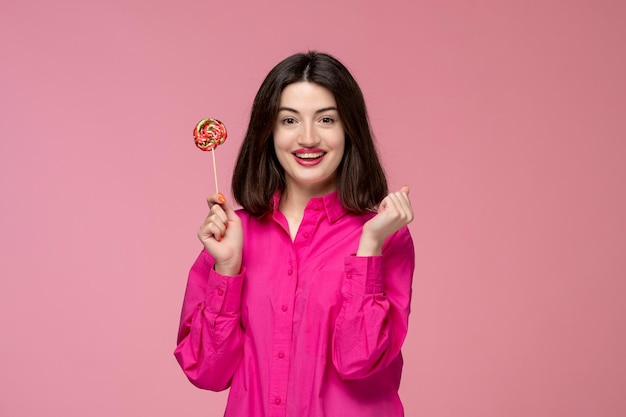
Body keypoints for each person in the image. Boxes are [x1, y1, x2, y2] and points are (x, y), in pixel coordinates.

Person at [174, 51, 415, 417]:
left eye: (326, 119)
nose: (307, 138)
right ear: (268, 131)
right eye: (289, 120)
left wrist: (368, 250)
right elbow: (206, 372)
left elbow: (359, 362)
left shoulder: (384, 238)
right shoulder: (231, 235)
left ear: (350, 129)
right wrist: (227, 268)